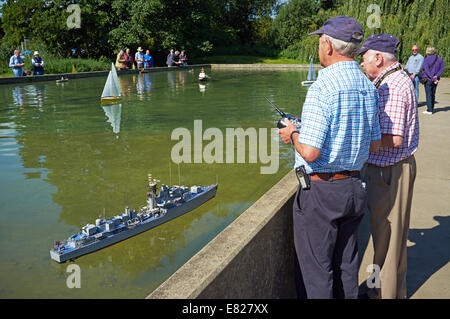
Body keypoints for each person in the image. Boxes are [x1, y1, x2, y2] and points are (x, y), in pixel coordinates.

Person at [278, 16, 381, 299]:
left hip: (322, 192)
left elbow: (311, 151)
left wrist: (292, 134)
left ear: (329, 46)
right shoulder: (368, 87)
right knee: (347, 266)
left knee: (317, 271)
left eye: (320, 41)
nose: (319, 47)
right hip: (354, 188)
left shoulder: (321, 88)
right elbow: (374, 145)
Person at [359, 34, 419, 299]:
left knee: (387, 240)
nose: (361, 63)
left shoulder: (390, 86)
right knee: (389, 239)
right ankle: (385, 291)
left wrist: (358, 138)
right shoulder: (396, 78)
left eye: (364, 58)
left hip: (388, 172)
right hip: (393, 170)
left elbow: (394, 138)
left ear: (378, 58)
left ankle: (383, 294)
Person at [421, 46, 445, 114]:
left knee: (429, 94)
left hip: (429, 79)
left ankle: (429, 110)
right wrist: (436, 76)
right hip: (436, 80)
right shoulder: (439, 58)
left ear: (428, 51)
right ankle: (432, 108)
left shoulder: (426, 59)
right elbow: (442, 68)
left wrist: (433, 78)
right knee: (433, 94)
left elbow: (427, 71)